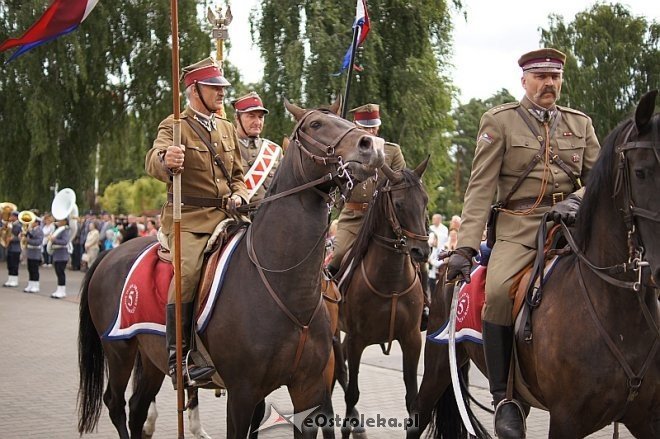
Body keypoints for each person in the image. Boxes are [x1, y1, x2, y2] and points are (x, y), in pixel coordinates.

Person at [446, 48, 600, 438]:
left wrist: (575, 201)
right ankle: (505, 399)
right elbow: (480, 190)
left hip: (569, 228)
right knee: (497, 293)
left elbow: (599, 182)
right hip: (518, 228)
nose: (550, 84)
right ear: (525, 81)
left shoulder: (580, 125)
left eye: (555, 77)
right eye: (541, 77)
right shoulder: (499, 122)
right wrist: (465, 247)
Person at [145, 56, 249, 388]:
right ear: (194, 90)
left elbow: (238, 177)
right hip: (187, 219)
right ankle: (180, 356)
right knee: (188, 272)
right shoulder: (174, 125)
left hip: (228, 216)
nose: (221, 93)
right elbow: (153, 159)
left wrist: (240, 194)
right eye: (214, 88)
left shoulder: (227, 128)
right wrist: (166, 160)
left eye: (222, 88)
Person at [327, 103, 406, 276]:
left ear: (378, 126)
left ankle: (423, 298)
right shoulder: (344, 152)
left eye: (373, 128)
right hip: (353, 218)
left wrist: (380, 161)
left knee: (410, 256)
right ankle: (328, 297)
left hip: (382, 218)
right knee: (337, 256)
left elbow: (400, 185)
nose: (370, 132)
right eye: (365, 128)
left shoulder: (392, 151)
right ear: (356, 127)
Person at [231, 91, 282, 203]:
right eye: (251, 116)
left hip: (269, 217)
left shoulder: (274, 151)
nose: (257, 122)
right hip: (235, 217)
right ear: (237, 118)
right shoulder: (227, 147)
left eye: (260, 117)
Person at [49, 217, 71, 298]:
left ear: (65, 221)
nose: (58, 222)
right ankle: (59, 289)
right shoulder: (58, 229)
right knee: (58, 272)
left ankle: (62, 291)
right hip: (57, 254)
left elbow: (65, 241)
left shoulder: (65, 230)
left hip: (62, 255)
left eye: (60, 220)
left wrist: (54, 240)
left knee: (61, 272)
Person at [24, 216, 44, 293]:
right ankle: (31, 284)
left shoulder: (39, 231)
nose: (31, 223)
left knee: (35, 269)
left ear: (36, 223)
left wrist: (28, 240)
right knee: (30, 269)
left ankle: (36, 285)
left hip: (35, 252)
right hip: (30, 252)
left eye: (32, 222)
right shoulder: (31, 230)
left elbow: (38, 242)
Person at [2, 211, 21, 287]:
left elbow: (20, 237)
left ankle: (15, 280)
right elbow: (6, 233)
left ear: (16, 217)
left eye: (12, 216)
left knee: (14, 265)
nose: (10, 217)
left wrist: (12, 239)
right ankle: (10, 279)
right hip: (10, 248)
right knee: (9, 265)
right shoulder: (10, 225)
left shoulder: (19, 226)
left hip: (15, 248)